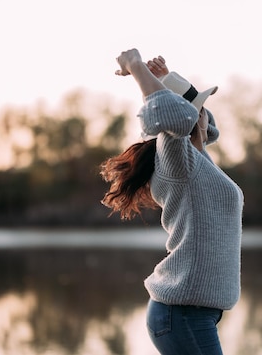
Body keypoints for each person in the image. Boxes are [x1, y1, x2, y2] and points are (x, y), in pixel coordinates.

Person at [99, 48, 244, 355]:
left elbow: (202, 126)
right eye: (200, 109)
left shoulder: (196, 160)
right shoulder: (177, 159)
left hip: (193, 312)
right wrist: (137, 67)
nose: (204, 113)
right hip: (183, 313)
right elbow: (175, 116)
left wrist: (165, 78)